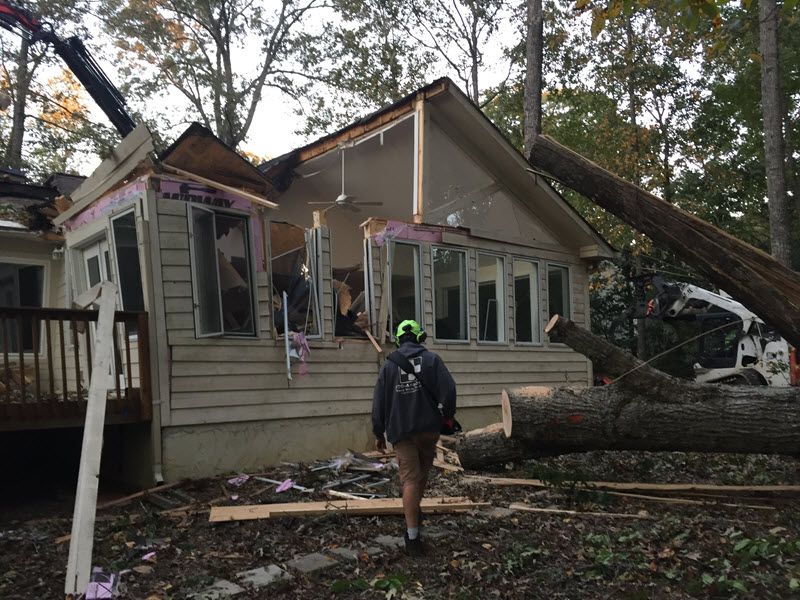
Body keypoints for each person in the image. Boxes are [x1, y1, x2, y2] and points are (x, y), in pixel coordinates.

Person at [371, 319, 457, 556]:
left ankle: (412, 537)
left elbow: (379, 402)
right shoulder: (432, 360)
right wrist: (448, 417)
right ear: (420, 337)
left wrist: (378, 433)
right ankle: (415, 513)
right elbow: (449, 390)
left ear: (398, 340)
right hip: (429, 429)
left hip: (402, 431)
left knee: (409, 480)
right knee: (421, 476)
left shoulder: (389, 366)